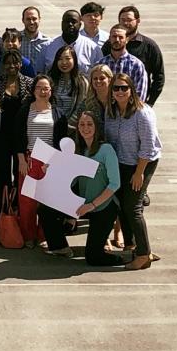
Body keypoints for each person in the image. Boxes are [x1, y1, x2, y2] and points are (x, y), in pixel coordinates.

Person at [105, 74, 162, 271]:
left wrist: (139, 173)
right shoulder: (111, 111)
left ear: (131, 90)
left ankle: (144, 255)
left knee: (133, 208)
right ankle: (132, 246)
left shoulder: (142, 113)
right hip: (121, 162)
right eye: (116, 88)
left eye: (124, 88)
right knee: (122, 205)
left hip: (142, 163)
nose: (120, 91)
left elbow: (148, 146)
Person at [13, 74, 70, 248]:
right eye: (39, 88)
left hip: (49, 161)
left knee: (46, 201)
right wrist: (21, 160)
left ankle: (44, 235)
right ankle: (28, 235)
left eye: (46, 88)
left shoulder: (58, 113)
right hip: (29, 160)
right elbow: (17, 136)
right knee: (27, 201)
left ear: (51, 91)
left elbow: (62, 141)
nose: (42, 91)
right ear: (33, 90)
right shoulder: (25, 110)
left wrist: (55, 162)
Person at [71, 110, 125, 267]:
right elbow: (71, 180)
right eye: (81, 124)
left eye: (89, 124)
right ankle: (59, 245)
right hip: (85, 207)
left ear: (96, 127)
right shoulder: (78, 151)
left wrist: (92, 205)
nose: (85, 128)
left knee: (93, 258)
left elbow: (115, 184)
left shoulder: (106, 150)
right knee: (47, 210)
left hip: (104, 208)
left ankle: (124, 257)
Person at [0, 49, 32, 219]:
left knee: (20, 174)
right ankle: (0, 211)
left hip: (21, 135)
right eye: (7, 63)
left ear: (20, 64)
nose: (11, 66)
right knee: (2, 174)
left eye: (15, 62)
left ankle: (18, 209)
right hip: (1, 135)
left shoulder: (29, 83)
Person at [106, 7, 165, 105]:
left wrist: (149, 103)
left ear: (138, 21)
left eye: (129, 20)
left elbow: (159, 77)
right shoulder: (109, 45)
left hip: (137, 105)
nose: (125, 23)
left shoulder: (149, 46)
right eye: (122, 20)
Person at [38, 9, 103, 75]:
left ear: (80, 25)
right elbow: (39, 74)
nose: (70, 24)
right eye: (67, 21)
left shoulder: (93, 48)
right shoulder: (47, 47)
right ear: (62, 24)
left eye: (74, 22)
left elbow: (100, 75)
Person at [104, 24, 148, 102]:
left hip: (130, 112)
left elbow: (139, 96)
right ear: (109, 39)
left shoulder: (136, 65)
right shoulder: (101, 64)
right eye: (114, 37)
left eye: (121, 37)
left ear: (127, 39)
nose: (117, 40)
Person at [46, 44, 88, 124]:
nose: (64, 62)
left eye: (68, 58)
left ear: (74, 60)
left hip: (73, 128)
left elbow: (81, 107)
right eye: (60, 59)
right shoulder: (50, 80)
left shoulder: (82, 82)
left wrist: (68, 125)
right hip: (52, 125)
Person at [18, 5, 50, 72]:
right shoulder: (16, 40)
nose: (31, 22)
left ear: (39, 19)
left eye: (34, 19)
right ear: (23, 20)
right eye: (28, 19)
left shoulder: (47, 42)